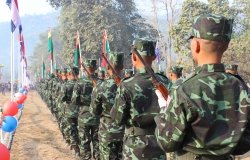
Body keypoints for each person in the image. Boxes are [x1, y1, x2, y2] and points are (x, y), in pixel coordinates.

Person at [154, 14, 250, 160]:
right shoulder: (241, 88)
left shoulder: (185, 89)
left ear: (196, 45)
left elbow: (167, 143)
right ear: (226, 45)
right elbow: (245, 142)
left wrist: (163, 111)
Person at [111, 39, 169, 159]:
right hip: (159, 143)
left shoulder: (127, 84)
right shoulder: (165, 82)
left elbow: (117, 119)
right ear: (153, 57)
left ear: (134, 58)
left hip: (134, 146)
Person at [90, 52, 125, 160]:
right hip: (125, 132)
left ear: (107, 67)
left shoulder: (100, 87)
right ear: (122, 67)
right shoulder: (129, 85)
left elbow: (94, 110)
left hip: (107, 131)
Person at [72, 59, 100, 159]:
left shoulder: (80, 82)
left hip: (84, 115)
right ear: (95, 68)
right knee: (97, 142)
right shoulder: (100, 82)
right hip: (97, 117)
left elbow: (74, 100)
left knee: (84, 142)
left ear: (85, 69)